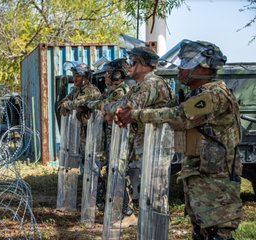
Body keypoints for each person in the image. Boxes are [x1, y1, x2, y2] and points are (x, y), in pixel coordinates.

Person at [115, 40, 242, 240]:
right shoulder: (197, 94)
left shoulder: (214, 95)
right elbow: (167, 113)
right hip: (201, 177)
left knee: (216, 234)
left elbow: (177, 115)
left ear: (203, 67)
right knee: (201, 232)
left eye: (186, 64)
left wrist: (136, 115)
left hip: (216, 183)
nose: (180, 69)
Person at [103, 46, 174, 228]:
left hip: (156, 143)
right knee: (147, 187)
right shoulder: (141, 85)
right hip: (146, 142)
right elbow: (115, 105)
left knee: (154, 189)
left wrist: (112, 109)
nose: (130, 66)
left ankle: (156, 226)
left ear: (145, 65)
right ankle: (149, 224)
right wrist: (111, 108)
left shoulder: (151, 83)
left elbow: (125, 106)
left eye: (134, 62)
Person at [86, 58, 130, 211]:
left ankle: (126, 209)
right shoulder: (111, 91)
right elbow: (100, 102)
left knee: (120, 171)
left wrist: (93, 105)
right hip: (111, 136)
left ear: (118, 75)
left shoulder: (121, 91)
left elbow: (104, 105)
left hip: (120, 137)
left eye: (109, 73)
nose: (105, 76)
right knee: (110, 169)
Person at [57, 61, 101, 166]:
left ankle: (97, 181)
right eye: (74, 76)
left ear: (85, 77)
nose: (74, 79)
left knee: (91, 158)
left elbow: (75, 104)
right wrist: (65, 105)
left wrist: (67, 105)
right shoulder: (76, 90)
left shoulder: (91, 90)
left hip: (91, 131)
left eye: (77, 76)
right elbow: (62, 103)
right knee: (81, 157)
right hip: (79, 130)